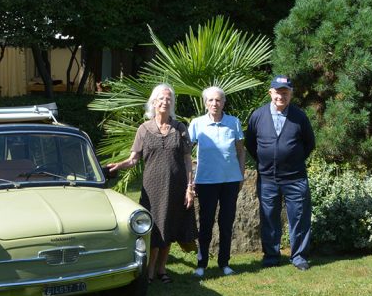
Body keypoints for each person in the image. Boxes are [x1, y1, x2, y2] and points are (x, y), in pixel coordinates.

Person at [107, 83, 196, 282]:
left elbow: (187, 160)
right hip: (152, 188)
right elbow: (133, 159)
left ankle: (162, 270)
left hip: (176, 186)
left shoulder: (180, 128)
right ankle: (149, 270)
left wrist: (190, 188)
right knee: (153, 229)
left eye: (169, 99)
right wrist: (119, 165)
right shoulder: (144, 129)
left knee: (169, 227)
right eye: (161, 98)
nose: (165, 102)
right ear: (154, 102)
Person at [245, 75, 315, 271]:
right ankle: (271, 256)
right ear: (270, 93)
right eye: (277, 92)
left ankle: (299, 256)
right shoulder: (257, 116)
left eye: (285, 92)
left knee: (299, 218)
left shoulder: (299, 116)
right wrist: (265, 161)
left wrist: (293, 160)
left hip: (295, 178)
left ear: (291, 94)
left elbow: (310, 144)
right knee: (268, 218)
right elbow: (250, 143)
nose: (280, 96)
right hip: (268, 178)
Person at [187, 86, 246, 278]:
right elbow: (186, 152)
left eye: (218, 100)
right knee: (206, 222)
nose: (215, 103)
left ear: (224, 103)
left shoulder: (233, 122)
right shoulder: (197, 124)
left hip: (230, 181)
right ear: (205, 103)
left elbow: (240, 151)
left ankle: (224, 263)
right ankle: (201, 264)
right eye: (211, 100)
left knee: (226, 222)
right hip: (206, 181)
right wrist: (190, 179)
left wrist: (241, 174)